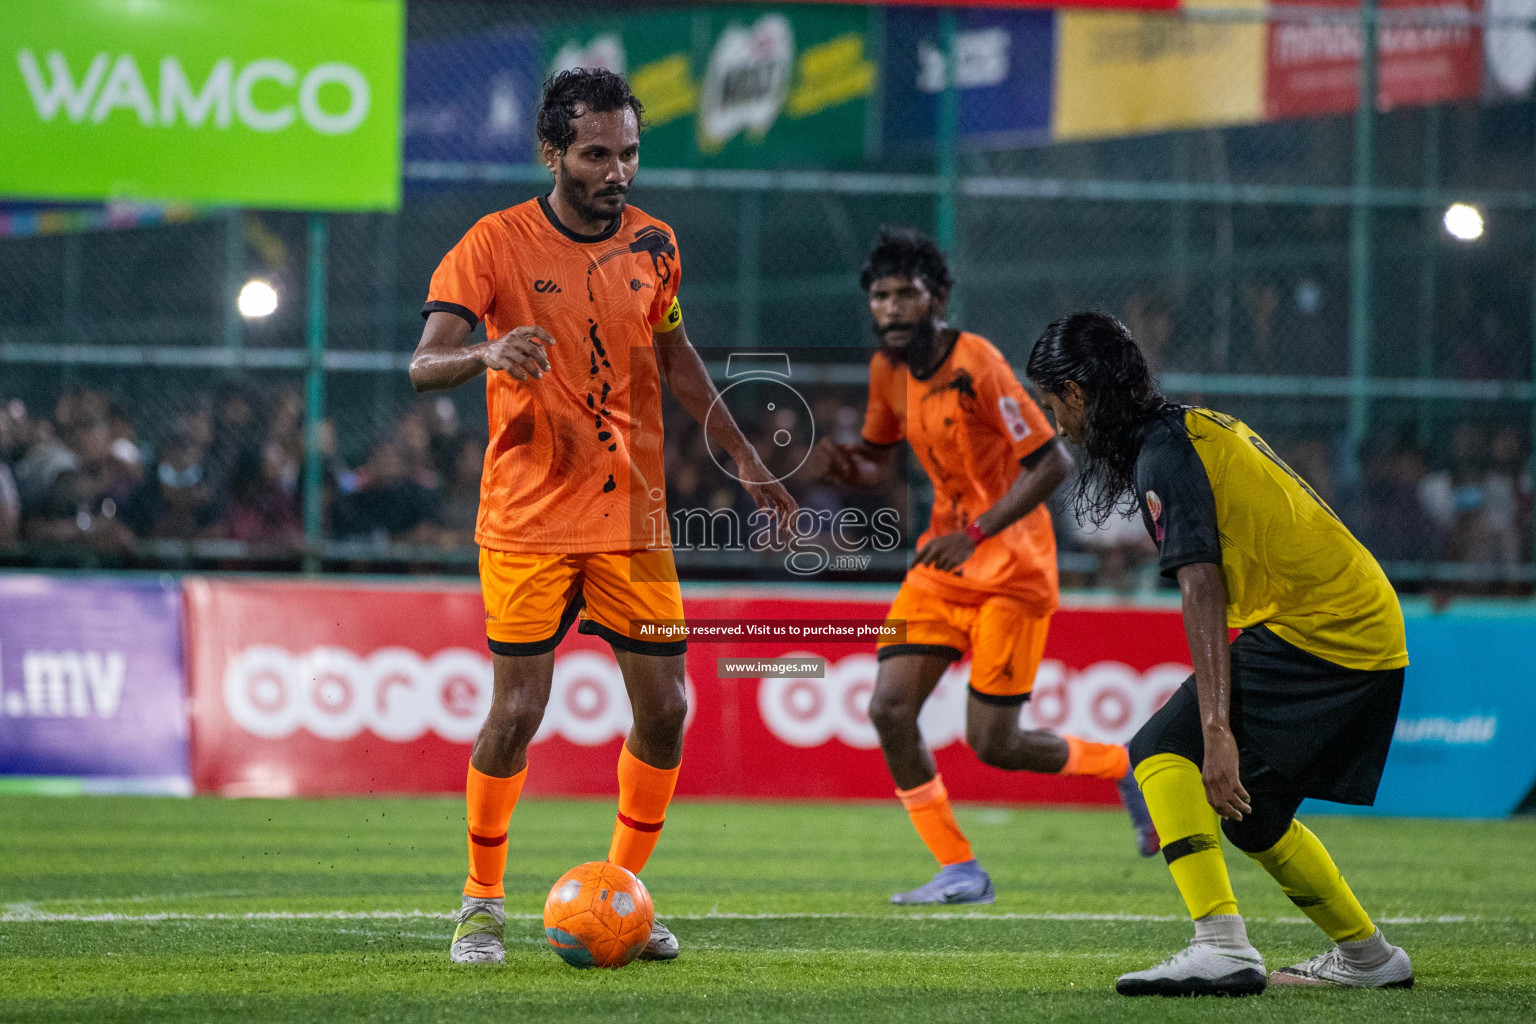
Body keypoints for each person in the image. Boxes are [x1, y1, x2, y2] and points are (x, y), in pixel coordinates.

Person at [409, 68, 794, 965]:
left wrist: (754, 471)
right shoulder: (492, 244)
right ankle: (480, 901)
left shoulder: (656, 244)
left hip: (634, 524)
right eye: (595, 154)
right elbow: (424, 364)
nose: (616, 170)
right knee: (518, 712)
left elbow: (682, 360)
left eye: (627, 152)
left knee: (666, 712)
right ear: (552, 153)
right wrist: (487, 351)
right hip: (529, 520)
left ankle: (621, 890)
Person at [1026, 311, 1413, 996]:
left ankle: (1219, 945)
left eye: (1053, 403)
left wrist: (1215, 729)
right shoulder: (1191, 429)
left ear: (1077, 393)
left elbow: (1201, 586)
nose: (1055, 422)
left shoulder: (1165, 455)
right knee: (1254, 816)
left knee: (1158, 750)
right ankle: (1369, 957)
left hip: (1323, 630)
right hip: (1356, 625)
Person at [807, 231, 1158, 906]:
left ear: (936, 297)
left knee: (994, 743)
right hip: (942, 563)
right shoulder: (888, 370)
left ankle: (1123, 763)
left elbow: (1053, 462)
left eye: (905, 292)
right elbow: (880, 461)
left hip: (1011, 566)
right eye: (879, 296)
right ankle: (959, 868)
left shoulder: (978, 363)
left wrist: (976, 532)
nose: (889, 307)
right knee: (887, 708)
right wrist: (849, 466)